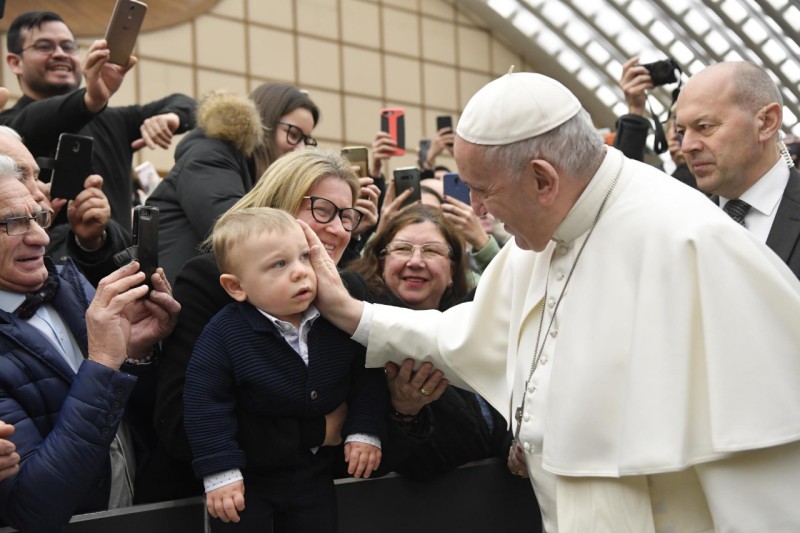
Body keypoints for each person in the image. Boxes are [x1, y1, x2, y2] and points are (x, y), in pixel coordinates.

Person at [304, 72, 800, 532]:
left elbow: (758, 469)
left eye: (482, 190)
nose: (475, 210)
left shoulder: (689, 239)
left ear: (543, 180)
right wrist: (351, 311)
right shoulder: (537, 239)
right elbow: (469, 335)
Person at [138, 150, 442, 503]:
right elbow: (182, 422)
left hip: (313, 503)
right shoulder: (212, 281)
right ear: (275, 207)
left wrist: (398, 412)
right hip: (215, 506)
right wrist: (319, 430)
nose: (336, 229)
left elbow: (365, 422)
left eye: (347, 216)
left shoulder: (353, 291)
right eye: (322, 210)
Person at [0, 155, 180, 532]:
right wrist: (102, 364)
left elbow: (139, 424)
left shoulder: (69, 282)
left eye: (38, 217)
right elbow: (34, 507)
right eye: (13, 224)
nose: (41, 237)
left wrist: (137, 354)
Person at [184, 207, 385, 531]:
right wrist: (220, 471)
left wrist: (364, 430)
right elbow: (204, 402)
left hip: (314, 474)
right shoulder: (225, 334)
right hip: (247, 481)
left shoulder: (335, 320)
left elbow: (367, 374)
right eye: (279, 264)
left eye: (304, 257)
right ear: (236, 287)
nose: (300, 272)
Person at [343, 205, 514, 481]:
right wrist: (404, 413)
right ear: (380, 262)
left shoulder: (474, 321)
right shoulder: (358, 336)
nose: (416, 261)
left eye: (432, 251)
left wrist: (514, 449)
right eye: (402, 249)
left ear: (452, 270)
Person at [1, 11, 196, 231]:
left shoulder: (118, 120)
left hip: (120, 259)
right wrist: (91, 99)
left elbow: (187, 103)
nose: (60, 54)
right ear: (15, 62)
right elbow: (32, 122)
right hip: (38, 259)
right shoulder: (7, 130)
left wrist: (171, 116)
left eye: (68, 46)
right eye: (44, 46)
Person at [676, 61, 800, 279]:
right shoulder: (679, 227)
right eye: (681, 132)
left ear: (767, 122)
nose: (687, 146)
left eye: (704, 127)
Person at [0, 125, 130, 286]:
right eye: (19, 176)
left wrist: (91, 244)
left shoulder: (59, 234)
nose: (39, 193)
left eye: (35, 176)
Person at [613, 56, 696, 189]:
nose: (676, 136)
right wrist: (635, 109)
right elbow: (619, 183)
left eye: (684, 131)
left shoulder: (714, 187)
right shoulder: (649, 176)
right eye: (676, 126)